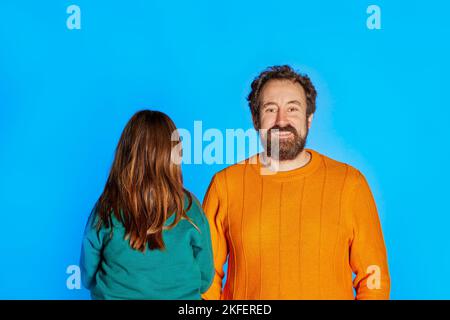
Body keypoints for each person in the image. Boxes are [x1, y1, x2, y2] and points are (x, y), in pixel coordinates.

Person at [202, 65, 390, 300]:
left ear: (309, 118)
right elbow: (204, 281)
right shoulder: (225, 185)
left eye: (293, 108)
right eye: (271, 109)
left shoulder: (350, 184)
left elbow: (374, 281)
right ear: (255, 118)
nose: (282, 121)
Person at [80, 110, 214, 299]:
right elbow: (205, 278)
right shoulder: (190, 208)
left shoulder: (107, 205)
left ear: (125, 152)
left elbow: (87, 275)